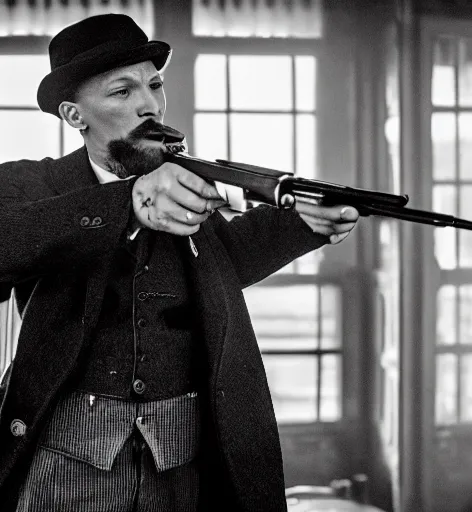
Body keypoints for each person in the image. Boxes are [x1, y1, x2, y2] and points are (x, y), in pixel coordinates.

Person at [0, 13, 359, 512]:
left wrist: (302, 225)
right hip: (65, 460)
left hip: (180, 460)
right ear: (74, 115)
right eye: (122, 92)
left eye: (154, 84)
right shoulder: (30, 187)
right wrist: (126, 202)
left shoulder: (180, 181)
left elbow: (221, 265)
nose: (149, 103)